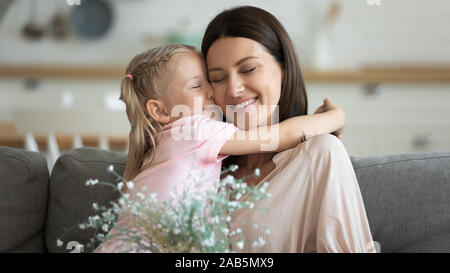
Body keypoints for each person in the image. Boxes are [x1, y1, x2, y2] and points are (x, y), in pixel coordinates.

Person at [93, 43, 345, 252]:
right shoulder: (195, 129)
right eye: (196, 85)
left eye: (210, 81)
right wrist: (336, 118)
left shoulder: (161, 141)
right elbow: (278, 135)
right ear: (159, 110)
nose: (212, 92)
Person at [201, 6, 376, 252]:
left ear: (284, 69)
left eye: (248, 69)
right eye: (218, 78)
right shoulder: (203, 163)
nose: (233, 89)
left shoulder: (319, 155)